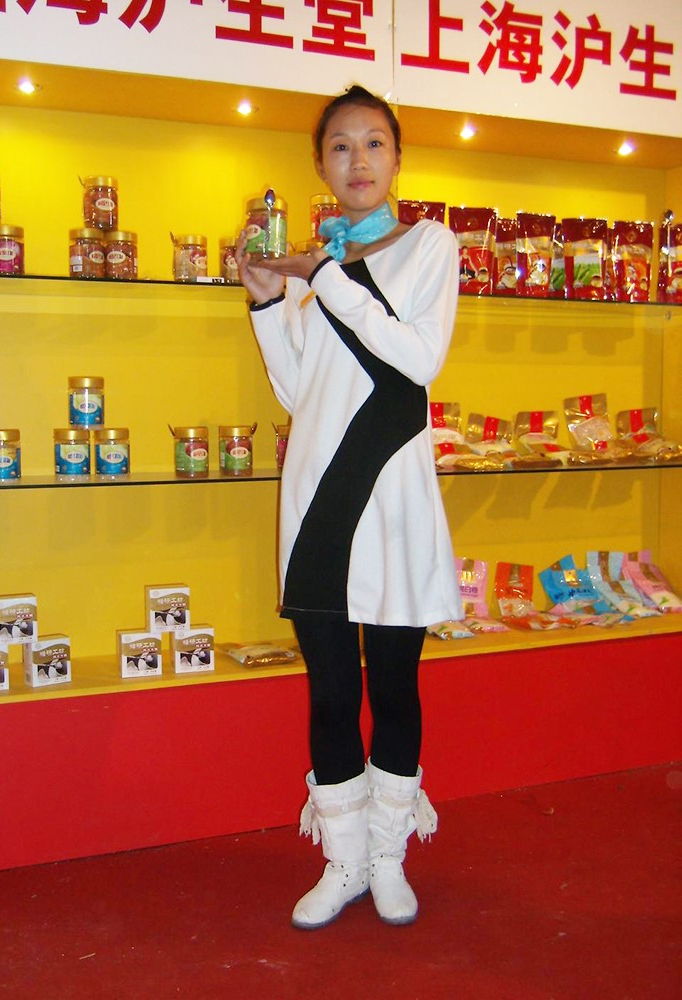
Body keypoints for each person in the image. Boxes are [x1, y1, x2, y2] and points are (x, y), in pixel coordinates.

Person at [235, 85, 462, 929]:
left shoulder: (430, 246)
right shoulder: (311, 268)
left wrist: (324, 277)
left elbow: (417, 360)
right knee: (330, 694)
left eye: (373, 143)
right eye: (340, 146)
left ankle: (388, 856)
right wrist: (267, 299)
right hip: (320, 499)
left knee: (395, 687)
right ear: (320, 164)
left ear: (398, 159)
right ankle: (344, 860)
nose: (358, 159)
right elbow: (299, 391)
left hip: (393, 495)